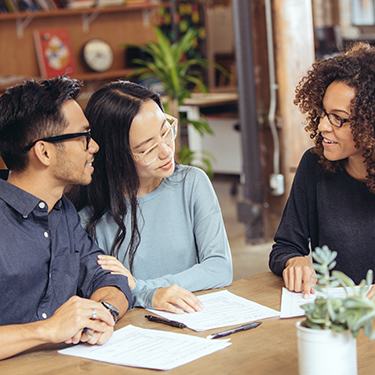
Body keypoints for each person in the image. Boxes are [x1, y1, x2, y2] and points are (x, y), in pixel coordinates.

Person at [67, 80, 233, 313]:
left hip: (196, 317)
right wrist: (147, 297)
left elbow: (219, 268)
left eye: (166, 132)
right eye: (147, 149)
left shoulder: (192, 183)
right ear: (116, 156)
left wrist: (144, 289)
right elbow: (100, 295)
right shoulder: (88, 218)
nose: (166, 151)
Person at [0, 76, 131, 361]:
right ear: (44, 151)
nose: (93, 146)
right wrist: (47, 330)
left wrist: (101, 314)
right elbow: (53, 328)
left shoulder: (63, 212)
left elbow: (109, 279)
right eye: (83, 136)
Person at [269, 42, 375, 299]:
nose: (323, 127)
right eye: (323, 113)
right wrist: (294, 261)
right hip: (332, 315)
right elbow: (284, 247)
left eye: (338, 118)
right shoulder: (314, 166)